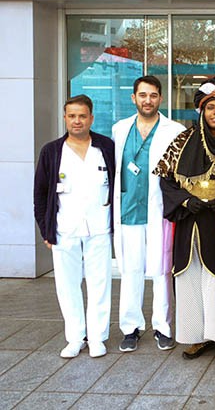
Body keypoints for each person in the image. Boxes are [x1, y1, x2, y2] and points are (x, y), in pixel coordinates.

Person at [153, 77, 215, 367]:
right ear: (202, 111)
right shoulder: (182, 141)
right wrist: (184, 200)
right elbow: (165, 180)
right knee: (189, 278)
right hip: (189, 220)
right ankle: (197, 335)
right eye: (210, 108)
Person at [33, 95, 114, 359]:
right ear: (65, 118)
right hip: (63, 229)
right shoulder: (52, 151)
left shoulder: (106, 147)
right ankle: (75, 337)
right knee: (67, 285)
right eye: (72, 116)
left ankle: (98, 337)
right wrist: (46, 230)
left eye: (82, 116)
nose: (77, 121)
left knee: (100, 283)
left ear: (91, 118)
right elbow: (40, 193)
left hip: (99, 228)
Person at [112, 75, 185, 352]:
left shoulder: (174, 130)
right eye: (142, 95)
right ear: (134, 98)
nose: (148, 100)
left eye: (153, 95)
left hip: (159, 212)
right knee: (129, 270)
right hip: (128, 209)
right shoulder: (120, 129)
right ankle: (130, 328)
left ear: (160, 99)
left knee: (161, 270)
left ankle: (162, 327)